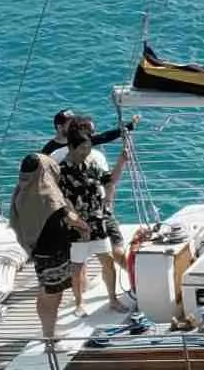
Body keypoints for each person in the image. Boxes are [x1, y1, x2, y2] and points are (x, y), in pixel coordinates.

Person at [56, 115, 131, 312]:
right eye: (83, 149)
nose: (86, 152)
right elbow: (61, 201)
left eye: (88, 148)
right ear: (72, 148)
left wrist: (121, 162)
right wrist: (79, 224)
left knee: (107, 260)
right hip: (77, 226)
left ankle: (113, 299)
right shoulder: (61, 171)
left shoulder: (91, 164)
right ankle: (80, 303)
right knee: (78, 266)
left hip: (97, 221)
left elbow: (109, 181)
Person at [8, 151, 82, 346]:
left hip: (38, 251)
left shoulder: (22, 190)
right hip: (53, 251)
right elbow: (69, 217)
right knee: (53, 295)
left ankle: (47, 331)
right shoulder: (47, 193)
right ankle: (50, 337)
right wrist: (84, 226)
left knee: (45, 291)